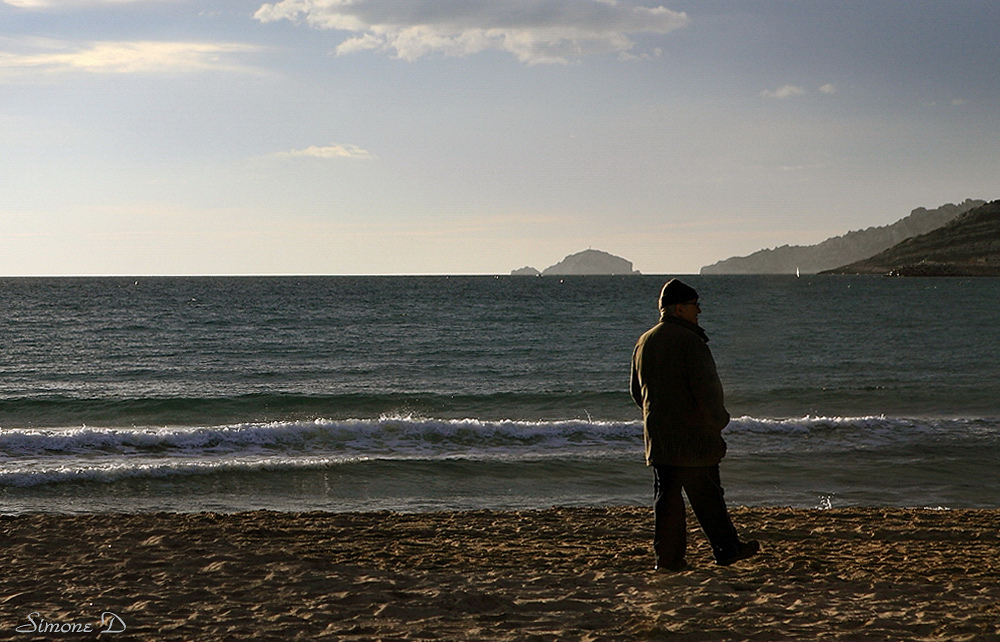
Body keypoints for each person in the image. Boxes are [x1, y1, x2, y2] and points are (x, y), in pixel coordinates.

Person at [630, 279, 759, 572]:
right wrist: (718, 422)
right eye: (694, 305)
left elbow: (637, 393)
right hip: (693, 438)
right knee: (708, 495)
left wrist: (658, 417)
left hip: (659, 437)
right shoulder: (691, 342)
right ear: (678, 308)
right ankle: (726, 549)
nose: (699, 311)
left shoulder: (644, 341)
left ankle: (668, 560)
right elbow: (708, 391)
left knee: (667, 499)